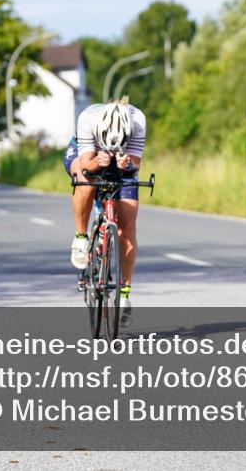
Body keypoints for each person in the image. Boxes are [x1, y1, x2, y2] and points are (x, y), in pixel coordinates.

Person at [64, 97, 147, 326]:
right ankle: (81, 238)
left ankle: (125, 295)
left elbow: (135, 164)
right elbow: (84, 165)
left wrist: (126, 164)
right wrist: (96, 162)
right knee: (85, 181)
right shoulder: (88, 118)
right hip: (87, 156)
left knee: (128, 227)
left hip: (121, 159)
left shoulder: (138, 120)